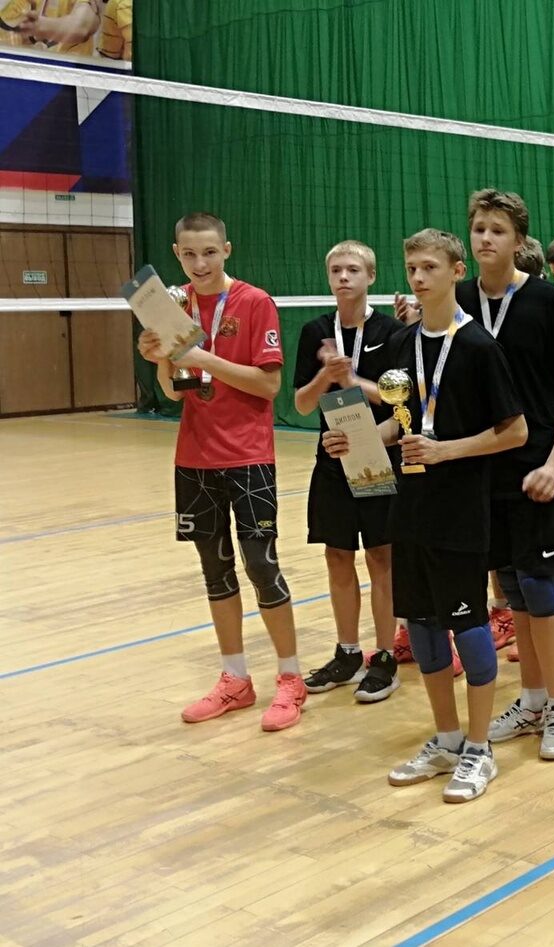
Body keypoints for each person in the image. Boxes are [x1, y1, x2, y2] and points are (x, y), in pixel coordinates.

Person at [332, 228, 525, 801]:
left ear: (457, 271)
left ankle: (480, 747)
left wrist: (446, 451)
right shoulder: (404, 343)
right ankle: (446, 740)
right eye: (412, 267)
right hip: (409, 506)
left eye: (429, 268)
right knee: (420, 626)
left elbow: (514, 431)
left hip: (461, 509)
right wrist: (360, 440)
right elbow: (404, 423)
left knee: (469, 626)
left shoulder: (480, 346)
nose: (418, 278)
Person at [136, 212, 305, 731]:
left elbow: (268, 386)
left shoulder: (254, 302)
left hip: (248, 458)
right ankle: (235, 679)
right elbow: (173, 392)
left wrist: (201, 356)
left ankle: (290, 678)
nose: (200, 263)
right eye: (189, 254)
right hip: (194, 459)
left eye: (209, 252)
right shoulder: (173, 305)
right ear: (176, 253)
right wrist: (160, 359)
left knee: (262, 566)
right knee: (215, 569)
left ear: (226, 250)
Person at [458, 189, 554, 761]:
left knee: (541, 587)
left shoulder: (548, 301)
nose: (486, 238)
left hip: (537, 465)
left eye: (497, 230)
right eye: (479, 229)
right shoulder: (458, 298)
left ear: (518, 240)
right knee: (511, 589)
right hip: (481, 467)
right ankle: (533, 699)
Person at [293, 241, 401, 702]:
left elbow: (401, 402)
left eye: (353, 269)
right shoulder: (315, 331)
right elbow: (302, 404)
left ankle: (386, 656)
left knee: (381, 556)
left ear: (370, 276)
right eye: (336, 269)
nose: (343, 277)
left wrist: (352, 379)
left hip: (377, 459)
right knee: (337, 555)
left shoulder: (392, 332)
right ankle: (348, 652)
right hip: (332, 460)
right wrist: (326, 375)